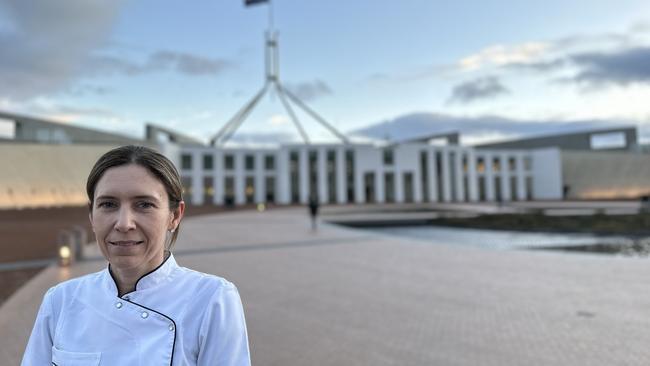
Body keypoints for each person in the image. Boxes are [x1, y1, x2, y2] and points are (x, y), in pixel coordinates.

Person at [22, 145, 251, 366]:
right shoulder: (61, 300)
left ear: (174, 216)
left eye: (144, 204)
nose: (123, 224)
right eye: (108, 204)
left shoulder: (212, 299)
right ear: (92, 216)